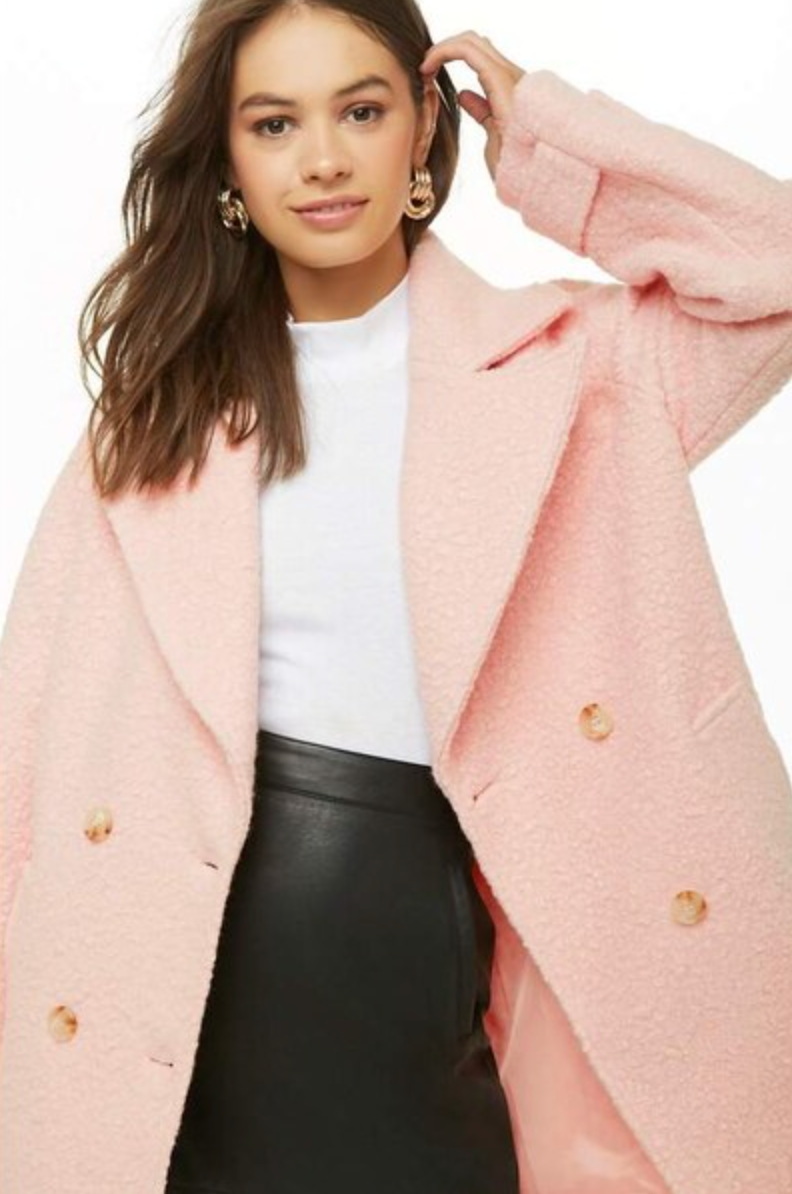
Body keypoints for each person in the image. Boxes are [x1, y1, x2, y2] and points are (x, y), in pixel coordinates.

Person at [1, 1, 792, 1192]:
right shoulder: (153, 425)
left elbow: (774, 269)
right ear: (228, 161)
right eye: (274, 124)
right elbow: (28, 753)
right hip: (181, 992)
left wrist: (551, 145)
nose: (322, 159)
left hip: (477, 979)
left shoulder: (580, 372)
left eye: (361, 111)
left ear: (424, 126)